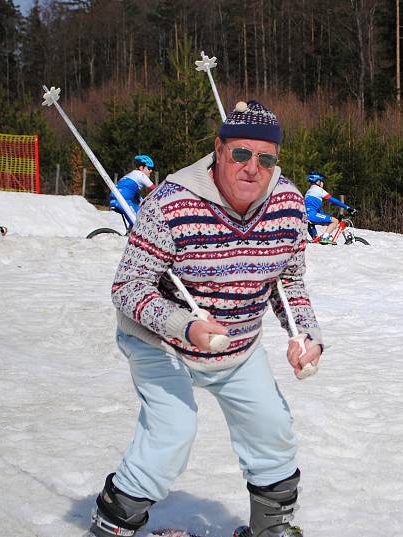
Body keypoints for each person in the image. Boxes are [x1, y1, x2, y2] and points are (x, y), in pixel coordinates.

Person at [90, 100, 322, 537]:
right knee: (171, 434)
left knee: (272, 428)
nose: (252, 167)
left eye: (266, 158)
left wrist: (306, 335)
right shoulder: (171, 203)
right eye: (241, 153)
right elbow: (129, 287)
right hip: (162, 343)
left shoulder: (289, 204)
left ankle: (271, 526)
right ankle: (113, 526)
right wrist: (187, 326)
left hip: (239, 343)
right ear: (219, 149)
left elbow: (288, 281)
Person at [303, 171, 355, 244]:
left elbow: (318, 211)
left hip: (305, 216)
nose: (323, 183)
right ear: (318, 182)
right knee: (335, 221)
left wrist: (327, 217)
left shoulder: (309, 191)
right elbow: (334, 200)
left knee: (316, 242)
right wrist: (348, 208)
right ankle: (325, 238)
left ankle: (317, 239)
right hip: (311, 215)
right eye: (322, 181)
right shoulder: (319, 190)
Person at [109, 154, 156, 222]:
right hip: (123, 200)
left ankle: (130, 232)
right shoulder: (141, 175)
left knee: (135, 220)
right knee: (140, 221)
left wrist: (143, 201)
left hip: (114, 199)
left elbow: (137, 197)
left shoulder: (130, 175)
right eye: (149, 168)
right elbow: (154, 189)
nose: (151, 171)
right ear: (141, 168)